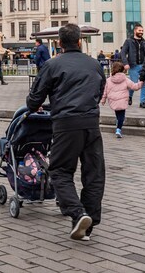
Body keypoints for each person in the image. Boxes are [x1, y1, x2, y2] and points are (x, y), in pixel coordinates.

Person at [26, 23, 106, 242]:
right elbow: (99, 91)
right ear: (80, 41)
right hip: (91, 123)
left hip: (66, 124)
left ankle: (78, 213)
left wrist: (37, 106)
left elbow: (34, 98)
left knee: (60, 171)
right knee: (94, 173)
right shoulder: (94, 64)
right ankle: (87, 224)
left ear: (59, 43)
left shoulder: (52, 65)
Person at [101, 61, 142, 138]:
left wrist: (103, 99)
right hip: (122, 100)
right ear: (123, 70)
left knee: (118, 114)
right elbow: (134, 87)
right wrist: (141, 83)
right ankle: (118, 129)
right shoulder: (125, 79)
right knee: (121, 116)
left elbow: (105, 90)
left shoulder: (109, 80)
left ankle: (118, 124)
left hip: (113, 100)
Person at [120, 24, 145, 108]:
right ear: (135, 31)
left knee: (144, 84)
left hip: (143, 66)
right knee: (133, 84)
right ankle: (129, 96)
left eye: (142, 31)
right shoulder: (128, 41)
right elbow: (123, 53)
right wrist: (125, 63)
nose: (141, 32)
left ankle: (142, 102)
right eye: (139, 30)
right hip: (133, 66)